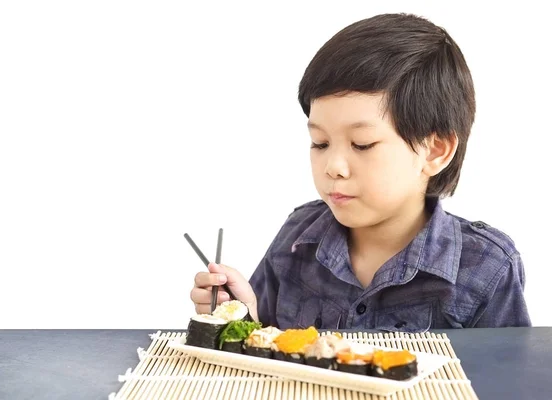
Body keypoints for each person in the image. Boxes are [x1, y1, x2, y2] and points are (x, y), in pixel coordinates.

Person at [189, 13, 531, 331]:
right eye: (320, 143)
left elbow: (506, 380)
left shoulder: (487, 265)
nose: (333, 167)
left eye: (362, 144)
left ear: (435, 151)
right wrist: (239, 315)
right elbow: (262, 352)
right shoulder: (298, 237)